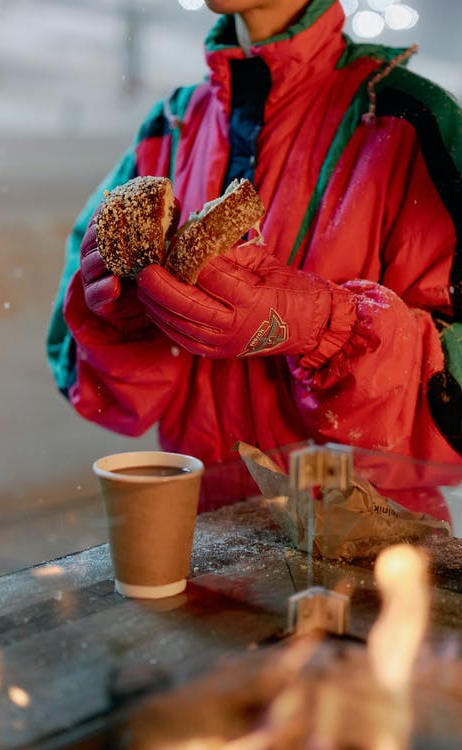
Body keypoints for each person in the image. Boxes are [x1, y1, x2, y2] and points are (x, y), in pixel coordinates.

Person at [47, 0, 462, 514]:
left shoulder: (410, 123)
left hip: (370, 549)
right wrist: (126, 328)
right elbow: (85, 381)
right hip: (203, 540)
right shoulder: (171, 126)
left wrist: (327, 327)